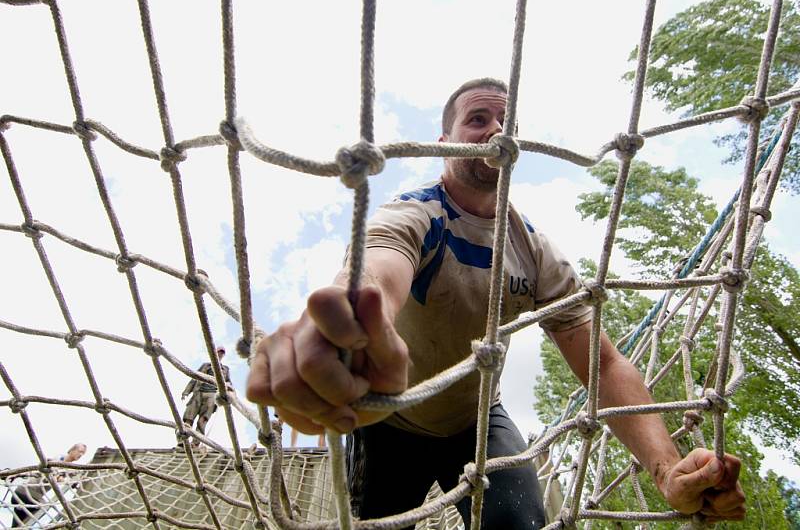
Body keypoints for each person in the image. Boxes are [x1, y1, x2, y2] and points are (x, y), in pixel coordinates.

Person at [246, 78, 746, 528]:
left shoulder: (533, 250)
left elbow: (603, 361)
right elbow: (377, 268)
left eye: (505, 122)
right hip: (390, 424)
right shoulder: (418, 214)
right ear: (445, 142)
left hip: (479, 423)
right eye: (478, 119)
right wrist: (344, 324)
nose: (495, 130)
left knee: (519, 524)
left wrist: (664, 468)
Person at [10, 443, 86, 527]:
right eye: (80, 451)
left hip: (30, 496)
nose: (81, 455)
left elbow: (73, 476)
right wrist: (63, 479)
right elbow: (53, 473)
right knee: (45, 507)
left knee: (18, 524)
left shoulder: (69, 468)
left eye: (83, 453)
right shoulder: (58, 459)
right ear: (72, 450)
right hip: (27, 492)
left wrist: (79, 479)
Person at [181, 346, 231, 447]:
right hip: (198, 393)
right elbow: (195, 378)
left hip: (212, 396)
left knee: (203, 420)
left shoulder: (225, 369)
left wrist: (229, 394)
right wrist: (186, 392)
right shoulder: (205, 366)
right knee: (188, 418)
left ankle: (195, 443)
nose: (220, 354)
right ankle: (182, 440)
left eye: (222, 353)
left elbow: (228, 383)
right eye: (218, 352)